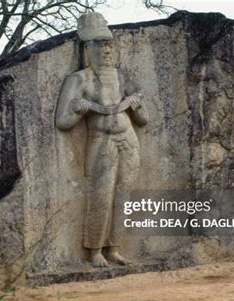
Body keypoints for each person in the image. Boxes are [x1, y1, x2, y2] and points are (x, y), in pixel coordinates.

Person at [55, 12, 148, 267]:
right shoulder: (78, 79)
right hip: (101, 141)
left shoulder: (121, 76)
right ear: (88, 48)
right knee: (101, 196)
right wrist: (79, 109)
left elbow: (144, 120)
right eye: (100, 45)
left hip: (127, 139)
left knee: (123, 196)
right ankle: (94, 250)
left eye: (108, 44)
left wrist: (135, 105)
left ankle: (114, 248)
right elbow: (62, 122)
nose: (106, 50)